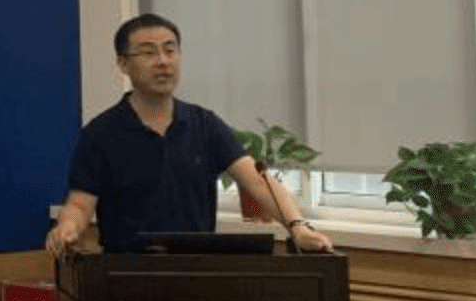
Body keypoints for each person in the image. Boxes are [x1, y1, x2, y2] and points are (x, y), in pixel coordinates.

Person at [45, 14, 332, 255]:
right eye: (148, 53)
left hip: (196, 270)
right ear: (123, 64)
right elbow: (80, 203)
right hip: (126, 276)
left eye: (170, 50)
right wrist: (67, 227)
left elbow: (257, 182)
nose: (163, 61)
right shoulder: (101, 134)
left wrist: (298, 226)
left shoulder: (204, 125)